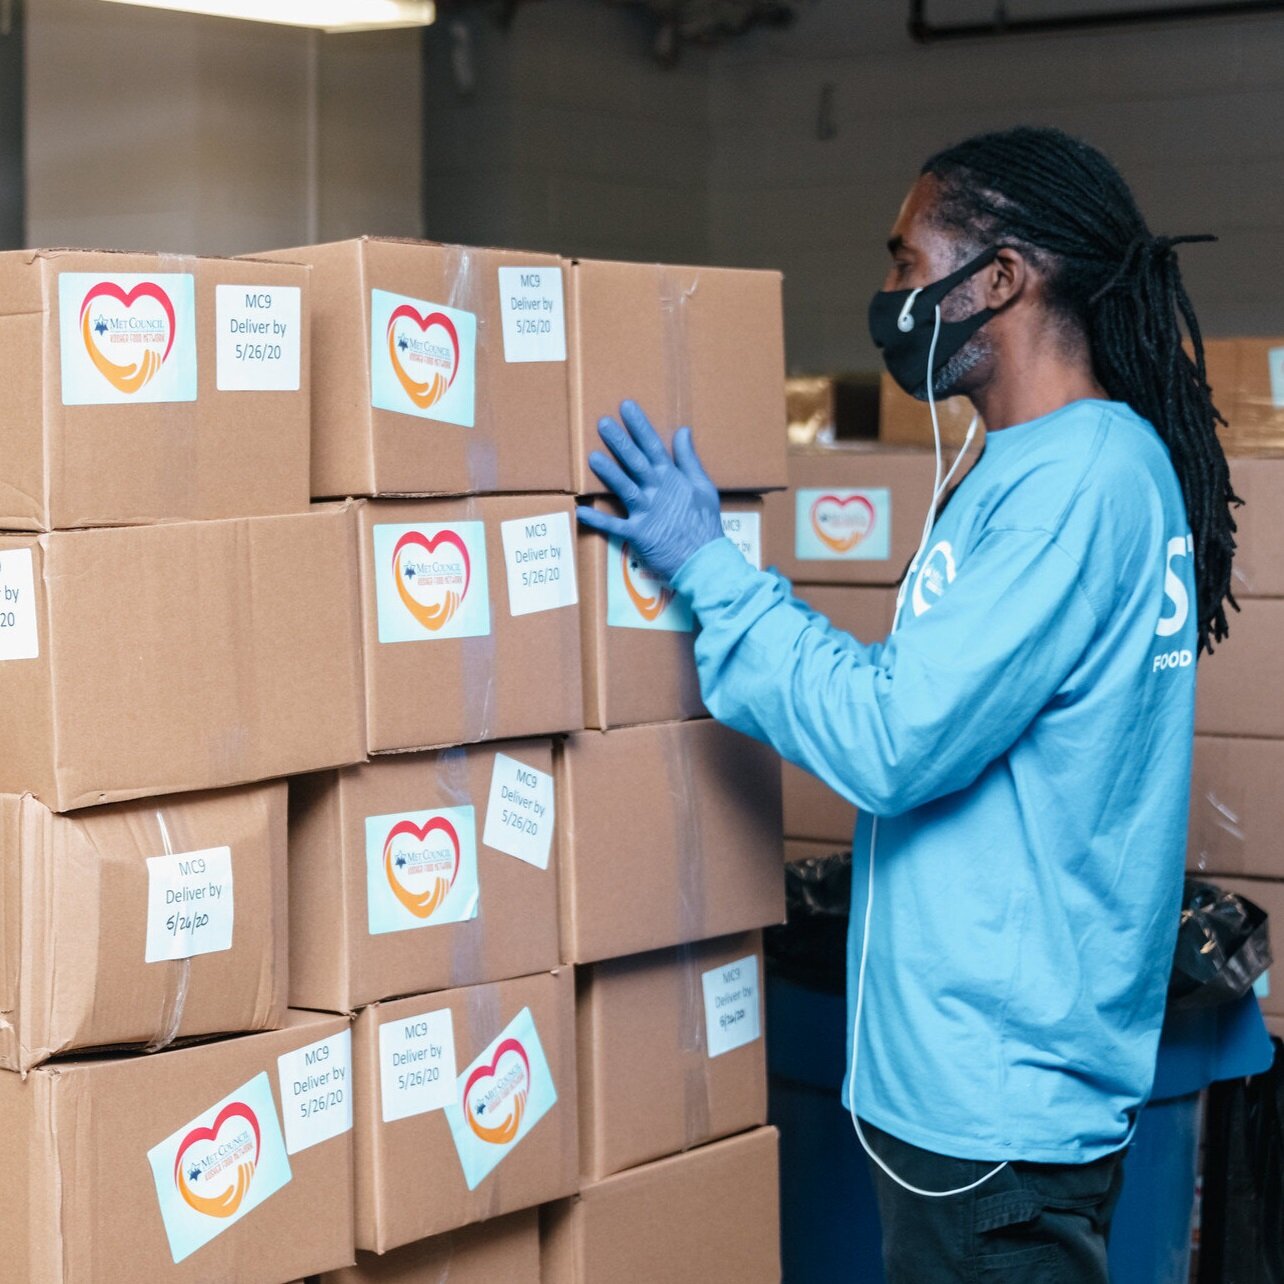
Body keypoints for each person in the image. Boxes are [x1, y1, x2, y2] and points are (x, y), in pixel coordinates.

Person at [576, 125, 1239, 1282]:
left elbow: (895, 739)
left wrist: (710, 570)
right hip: (976, 1083)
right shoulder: (1033, 466)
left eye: (905, 260)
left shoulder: (1077, 485)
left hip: (995, 1107)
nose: (890, 295)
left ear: (998, 280)